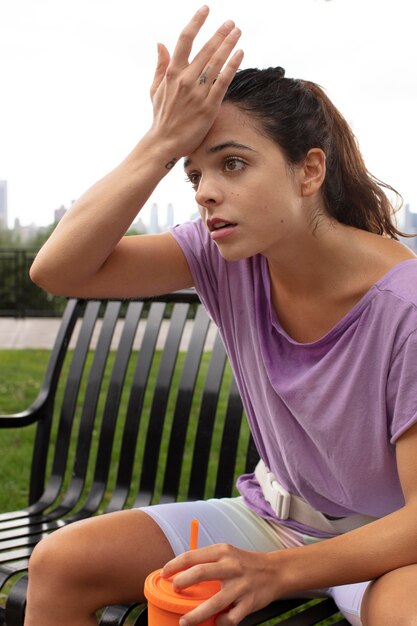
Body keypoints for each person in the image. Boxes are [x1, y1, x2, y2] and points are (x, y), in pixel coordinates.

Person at [26, 5, 417, 626]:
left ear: (309, 170)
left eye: (232, 163)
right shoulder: (223, 253)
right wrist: (160, 143)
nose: (206, 190)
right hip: (278, 515)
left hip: (388, 547)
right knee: (60, 563)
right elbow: (59, 271)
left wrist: (275, 573)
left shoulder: (406, 307)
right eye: (195, 174)